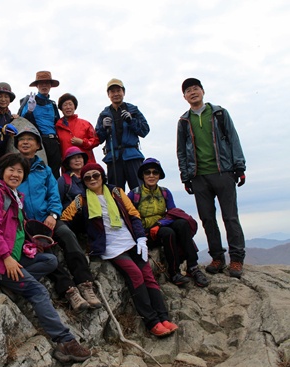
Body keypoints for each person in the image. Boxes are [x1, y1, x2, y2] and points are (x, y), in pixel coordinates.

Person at [0, 153, 91, 363]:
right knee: (38, 290)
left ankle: (16, 282)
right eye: (11, 169)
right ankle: (65, 342)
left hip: (14, 256)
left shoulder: (16, 196)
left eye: (20, 171)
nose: (15, 174)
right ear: (2, 172)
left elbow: (15, 231)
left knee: (50, 261)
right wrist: (6, 257)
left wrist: (29, 246)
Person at [61, 163, 178, 337]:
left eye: (96, 175)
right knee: (136, 275)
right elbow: (65, 217)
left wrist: (140, 237)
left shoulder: (116, 191)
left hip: (130, 240)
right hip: (110, 246)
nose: (93, 179)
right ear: (84, 181)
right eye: (88, 177)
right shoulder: (82, 199)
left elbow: (133, 214)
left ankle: (164, 317)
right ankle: (152, 321)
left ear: (102, 176)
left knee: (148, 276)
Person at [14, 126, 102, 312]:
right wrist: (20, 219)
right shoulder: (13, 169)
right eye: (22, 139)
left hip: (48, 218)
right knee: (45, 256)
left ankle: (86, 284)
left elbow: (54, 196)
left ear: (38, 145)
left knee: (67, 235)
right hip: (26, 223)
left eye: (31, 139)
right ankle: (70, 291)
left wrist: (53, 215)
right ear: (17, 145)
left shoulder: (45, 171)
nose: (26, 142)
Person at [177, 78, 247, 278]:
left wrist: (239, 167)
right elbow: (181, 151)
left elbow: (233, 139)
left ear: (203, 91)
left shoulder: (219, 114)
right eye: (188, 91)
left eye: (195, 88)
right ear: (184, 97)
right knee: (207, 219)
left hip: (223, 172)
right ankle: (217, 257)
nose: (192, 92)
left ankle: (236, 259)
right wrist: (186, 177)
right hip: (199, 176)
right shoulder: (183, 121)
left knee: (230, 217)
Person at [127, 158, 209, 287]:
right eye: (147, 172)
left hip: (160, 226)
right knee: (168, 232)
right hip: (145, 233)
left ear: (159, 175)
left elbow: (173, 213)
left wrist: (159, 224)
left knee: (182, 224)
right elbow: (129, 217)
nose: (151, 175)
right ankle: (174, 272)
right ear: (142, 175)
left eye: (155, 172)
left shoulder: (165, 192)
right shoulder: (134, 194)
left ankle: (193, 267)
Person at [95, 78, 150, 191]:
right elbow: (97, 138)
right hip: (113, 158)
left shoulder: (133, 110)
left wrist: (131, 121)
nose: (116, 94)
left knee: (139, 191)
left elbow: (145, 131)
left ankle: (138, 209)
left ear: (123, 92)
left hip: (132, 156)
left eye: (118, 91)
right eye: (112, 91)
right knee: (116, 193)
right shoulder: (104, 114)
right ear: (108, 95)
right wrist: (104, 128)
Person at [18, 71, 62, 179]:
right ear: (37, 85)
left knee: (55, 172)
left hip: (54, 142)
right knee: (39, 171)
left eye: (47, 83)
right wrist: (29, 111)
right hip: (39, 141)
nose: (44, 86)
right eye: (41, 83)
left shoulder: (52, 104)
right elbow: (22, 119)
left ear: (50, 86)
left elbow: (58, 122)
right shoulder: (30, 100)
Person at [55, 93, 99, 164]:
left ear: (74, 106)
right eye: (65, 105)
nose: (68, 107)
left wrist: (82, 142)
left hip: (86, 164)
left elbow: (96, 141)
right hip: (67, 165)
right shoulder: (57, 127)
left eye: (70, 104)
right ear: (61, 108)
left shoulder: (85, 124)